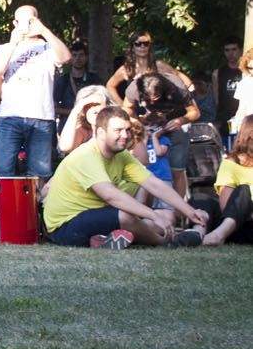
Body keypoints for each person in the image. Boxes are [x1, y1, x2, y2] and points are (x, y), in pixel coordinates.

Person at [43, 106, 208, 248]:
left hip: (95, 216)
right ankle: (167, 243)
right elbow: (111, 195)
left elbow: (153, 183)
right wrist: (153, 215)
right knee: (127, 216)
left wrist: (190, 212)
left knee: (165, 216)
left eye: (127, 129)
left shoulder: (120, 154)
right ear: (101, 132)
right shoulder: (86, 155)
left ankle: (106, 239)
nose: (125, 135)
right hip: (64, 228)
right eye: (118, 130)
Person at [0, 6, 69, 179]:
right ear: (15, 23)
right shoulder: (4, 48)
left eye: (31, 20)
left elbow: (65, 57)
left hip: (42, 117)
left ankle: (37, 206)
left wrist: (44, 30)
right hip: (10, 117)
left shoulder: (48, 46)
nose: (27, 26)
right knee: (0, 171)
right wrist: (14, 41)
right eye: (22, 21)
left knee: (39, 174)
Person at [125, 71, 200, 198]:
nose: (152, 102)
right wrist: (138, 122)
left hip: (173, 127)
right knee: (144, 170)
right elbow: (126, 109)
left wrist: (181, 120)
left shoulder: (177, 87)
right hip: (147, 130)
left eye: (156, 97)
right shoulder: (133, 89)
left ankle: (178, 212)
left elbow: (195, 112)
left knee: (177, 170)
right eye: (147, 99)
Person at [202, 122, 253, 245]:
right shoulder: (231, 163)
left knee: (245, 190)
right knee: (201, 198)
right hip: (239, 223)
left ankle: (216, 235)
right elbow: (226, 207)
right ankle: (197, 233)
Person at [106, 30, 190, 104]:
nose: (142, 47)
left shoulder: (159, 65)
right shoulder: (126, 69)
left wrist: (190, 95)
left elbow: (180, 76)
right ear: (132, 47)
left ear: (150, 46)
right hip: (135, 114)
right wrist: (122, 106)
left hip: (159, 112)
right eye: (138, 44)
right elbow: (110, 86)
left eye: (146, 43)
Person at [53, 38, 102, 123]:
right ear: (70, 58)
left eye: (81, 55)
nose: (78, 58)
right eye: (74, 55)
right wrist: (74, 112)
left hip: (89, 122)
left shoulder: (94, 79)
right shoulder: (62, 80)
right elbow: (54, 107)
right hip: (67, 123)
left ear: (86, 57)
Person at [58, 84, 114, 155]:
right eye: (88, 106)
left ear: (107, 107)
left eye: (97, 104)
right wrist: (75, 111)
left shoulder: (114, 128)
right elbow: (64, 147)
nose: (94, 109)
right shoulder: (82, 131)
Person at [211, 39, 244, 147]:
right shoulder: (218, 73)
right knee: (229, 151)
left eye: (234, 49)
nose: (230, 53)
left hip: (246, 118)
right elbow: (216, 99)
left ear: (240, 50)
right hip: (226, 120)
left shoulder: (247, 71)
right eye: (227, 50)